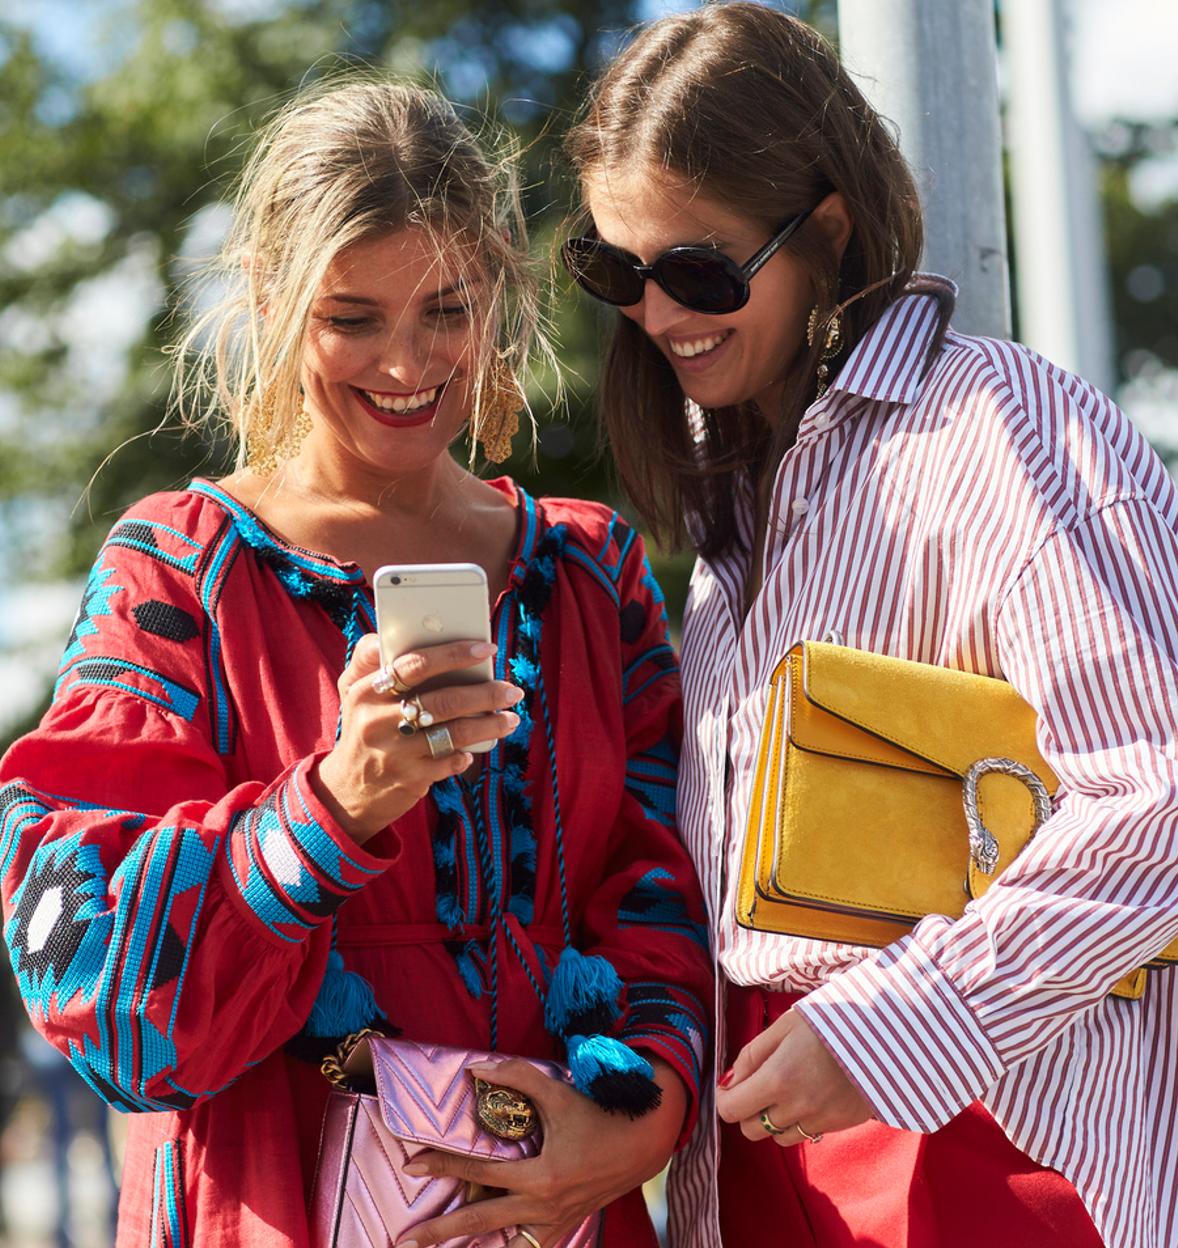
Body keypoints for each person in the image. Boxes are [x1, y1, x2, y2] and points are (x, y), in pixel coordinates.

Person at [562, 5, 1178, 1247]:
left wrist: (890, 1028)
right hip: (771, 1181)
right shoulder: (739, 524)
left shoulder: (1002, 429)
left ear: (825, 229)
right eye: (617, 271)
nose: (659, 315)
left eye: (701, 269)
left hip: (994, 1166)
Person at [0, 76, 712, 1248]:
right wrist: (335, 805)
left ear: (498, 289)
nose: (407, 362)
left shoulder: (594, 576)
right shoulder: (179, 576)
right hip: (270, 1201)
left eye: (446, 308)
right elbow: (89, 982)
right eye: (353, 318)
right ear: (276, 302)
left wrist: (645, 1120)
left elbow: (662, 883)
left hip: (565, 1212)